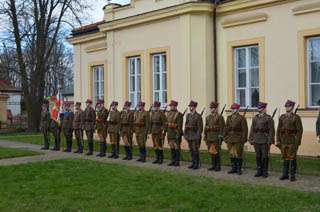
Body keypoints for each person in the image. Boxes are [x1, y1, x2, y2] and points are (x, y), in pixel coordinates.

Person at [276, 100, 303, 182]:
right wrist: (278, 140)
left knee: (292, 158)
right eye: (286, 106)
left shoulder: (296, 117)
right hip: (284, 140)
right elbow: (278, 130)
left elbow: (299, 130)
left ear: (292, 107)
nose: (287, 108)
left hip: (292, 141)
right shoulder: (282, 117)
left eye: (289, 106)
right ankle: (285, 174)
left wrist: (297, 142)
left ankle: (292, 175)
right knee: (285, 157)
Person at [248, 102, 275, 178]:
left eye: (260, 108)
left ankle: (265, 171)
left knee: (264, 156)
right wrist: (250, 138)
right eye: (258, 108)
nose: (259, 109)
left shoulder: (268, 118)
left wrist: (270, 140)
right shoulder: (255, 118)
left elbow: (271, 130)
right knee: (258, 155)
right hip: (256, 139)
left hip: (264, 139)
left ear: (264, 109)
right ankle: (259, 170)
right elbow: (252, 129)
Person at [224, 103, 248, 175]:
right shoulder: (229, 118)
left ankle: (238, 169)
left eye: (234, 109)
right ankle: (233, 168)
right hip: (230, 139)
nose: (232, 110)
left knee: (238, 154)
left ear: (238, 110)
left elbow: (245, 129)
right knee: (231, 153)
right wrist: (225, 137)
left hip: (238, 139)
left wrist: (243, 139)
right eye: (232, 109)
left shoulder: (241, 118)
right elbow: (226, 128)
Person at [204, 102, 225, 171]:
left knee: (216, 152)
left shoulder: (219, 117)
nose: (211, 109)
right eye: (211, 108)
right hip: (209, 137)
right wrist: (205, 135)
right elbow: (206, 127)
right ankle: (213, 165)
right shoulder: (208, 117)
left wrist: (220, 137)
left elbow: (222, 128)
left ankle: (218, 166)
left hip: (216, 137)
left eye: (212, 108)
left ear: (216, 109)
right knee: (211, 151)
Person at [184, 101, 203, 170]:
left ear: (195, 107)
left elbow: (200, 128)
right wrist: (185, 134)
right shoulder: (188, 115)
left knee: (195, 150)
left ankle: (196, 163)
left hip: (195, 136)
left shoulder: (198, 116)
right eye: (190, 106)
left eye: (191, 106)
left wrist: (197, 136)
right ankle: (193, 162)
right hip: (189, 135)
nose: (190, 107)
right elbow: (186, 125)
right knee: (191, 149)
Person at [165, 100, 183, 167]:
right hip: (170, 133)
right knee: (171, 147)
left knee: (176, 147)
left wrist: (178, 135)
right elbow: (167, 123)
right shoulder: (169, 113)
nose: (171, 107)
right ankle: (173, 160)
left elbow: (180, 126)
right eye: (171, 106)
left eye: (172, 106)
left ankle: (177, 161)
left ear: (175, 106)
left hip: (175, 134)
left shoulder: (179, 114)